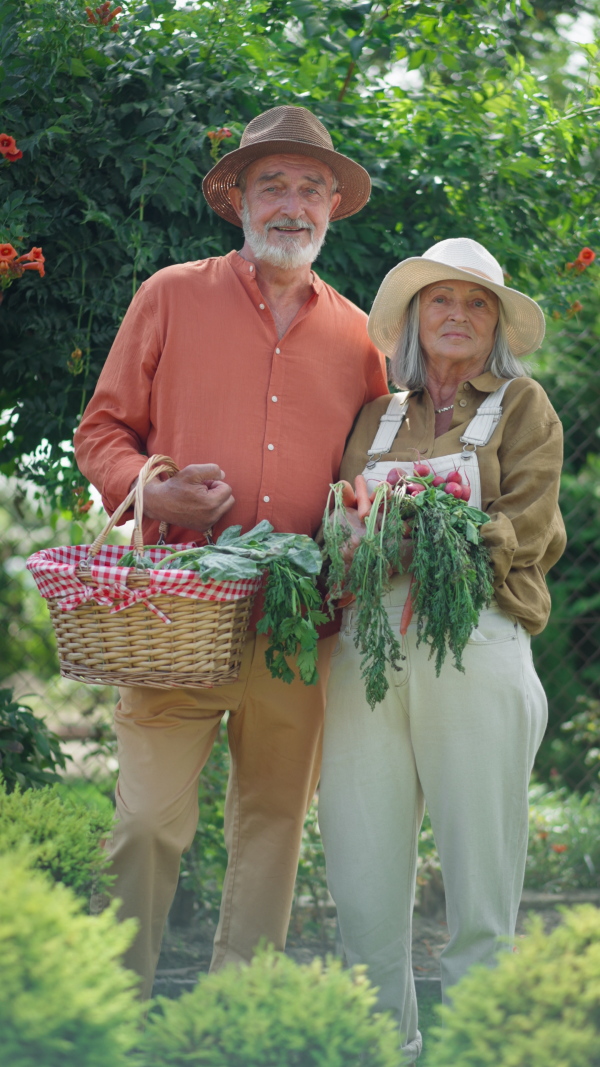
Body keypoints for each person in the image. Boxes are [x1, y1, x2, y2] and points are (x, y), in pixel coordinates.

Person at [73, 104, 388, 999]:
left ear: (332, 205)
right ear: (238, 197)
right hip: (174, 613)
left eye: (310, 188)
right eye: (273, 185)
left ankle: (231, 1017)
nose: (292, 204)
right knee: (143, 825)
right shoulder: (171, 294)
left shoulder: (362, 338)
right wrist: (149, 485)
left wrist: (361, 510)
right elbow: (101, 430)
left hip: (299, 630)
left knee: (272, 831)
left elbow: (373, 471)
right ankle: (115, 1012)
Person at [317, 237, 566, 1063]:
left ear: (494, 323)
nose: (457, 315)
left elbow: (527, 523)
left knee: (479, 872)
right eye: (440, 301)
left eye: (477, 303)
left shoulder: (524, 408)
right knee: (361, 870)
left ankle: (472, 1049)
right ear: (415, 319)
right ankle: (381, 1049)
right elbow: (344, 518)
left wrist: (437, 531)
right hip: (368, 644)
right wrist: (353, 536)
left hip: (477, 632)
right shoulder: (376, 415)